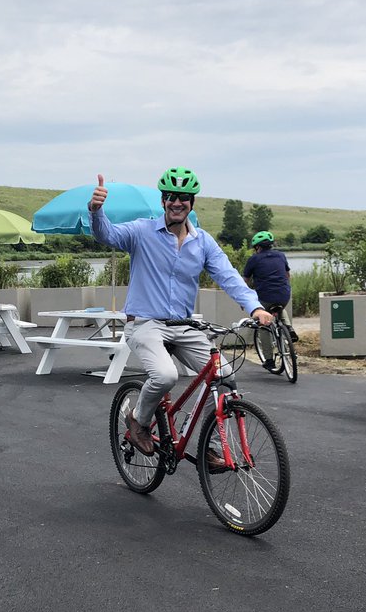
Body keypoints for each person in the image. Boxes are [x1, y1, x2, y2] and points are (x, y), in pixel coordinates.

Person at [89, 168, 273, 459]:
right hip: (145, 324)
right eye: (171, 197)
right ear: (163, 201)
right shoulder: (141, 232)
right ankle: (138, 421)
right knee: (165, 376)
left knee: (224, 377)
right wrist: (96, 210)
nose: (177, 202)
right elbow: (107, 234)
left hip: (184, 326)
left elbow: (228, 276)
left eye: (184, 197)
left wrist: (256, 307)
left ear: (192, 202)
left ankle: (211, 448)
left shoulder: (203, 242)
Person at [243, 230, 295, 369]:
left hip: (265, 297)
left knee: (263, 325)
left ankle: (269, 360)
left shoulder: (254, 259)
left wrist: (245, 300)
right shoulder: (281, 255)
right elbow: (287, 275)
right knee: (279, 306)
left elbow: (245, 281)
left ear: (257, 247)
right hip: (284, 295)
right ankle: (289, 328)